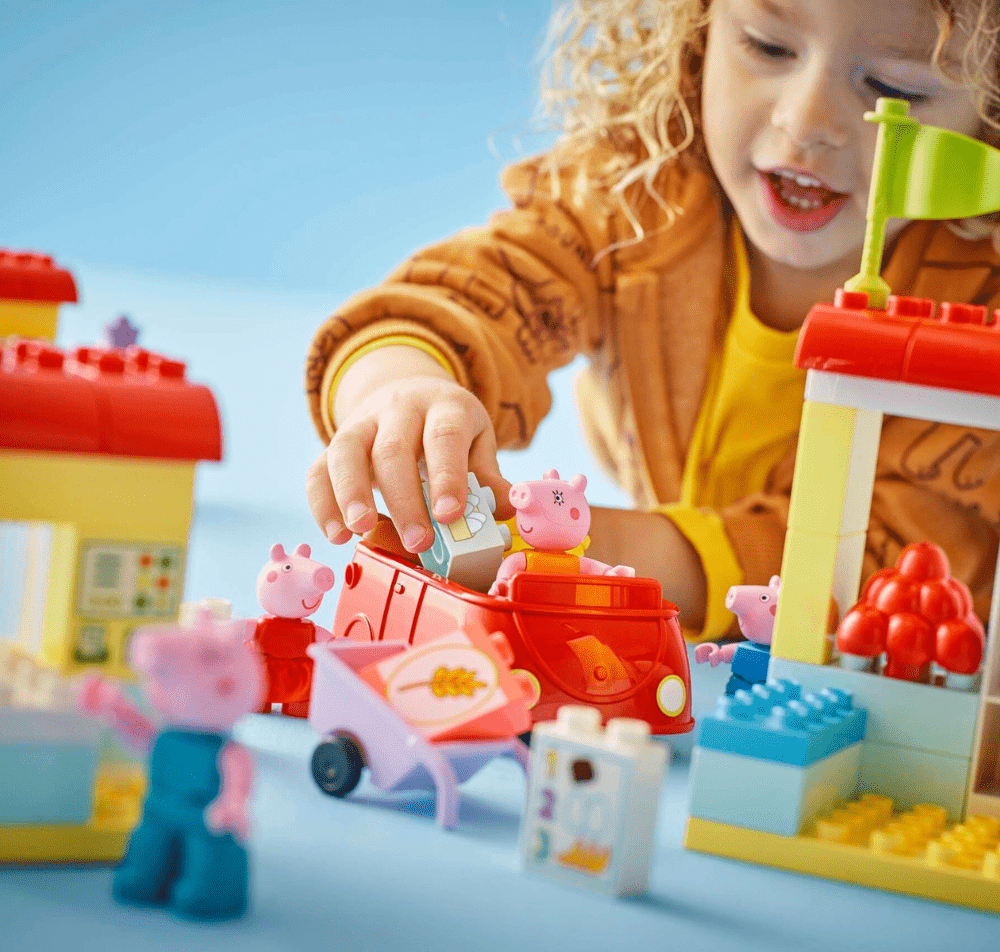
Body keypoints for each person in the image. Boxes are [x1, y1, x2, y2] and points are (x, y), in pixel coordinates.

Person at [304, 0, 1000, 641]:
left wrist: (560, 553)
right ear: (698, 29)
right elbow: (476, 296)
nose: (807, 120)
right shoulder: (640, 189)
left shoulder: (978, 320)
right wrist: (399, 391)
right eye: (767, 45)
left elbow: (878, 568)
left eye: (896, 88)